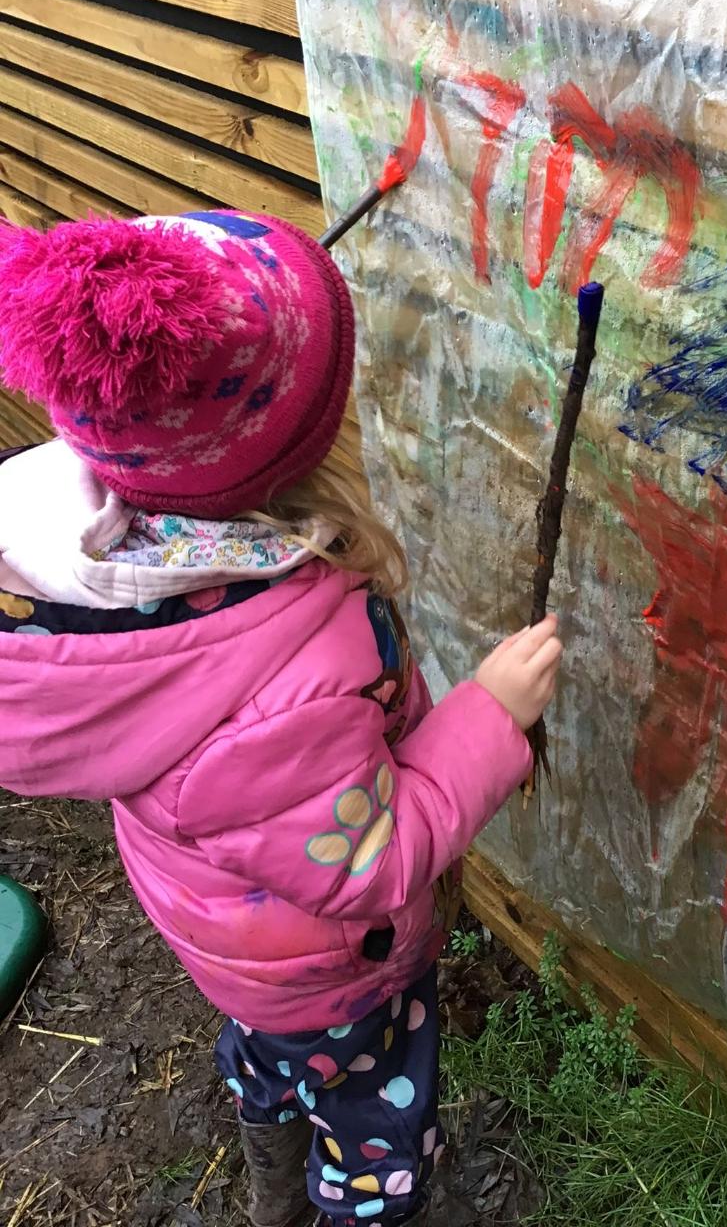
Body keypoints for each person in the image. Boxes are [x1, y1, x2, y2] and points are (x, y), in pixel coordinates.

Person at [0, 211, 562, 1227]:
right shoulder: (283, 683)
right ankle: (358, 1199)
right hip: (329, 969)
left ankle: (269, 1161)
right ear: (293, 449)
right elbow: (371, 860)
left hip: (229, 936)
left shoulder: (77, 552)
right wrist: (491, 717)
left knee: (269, 1050)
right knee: (373, 1110)